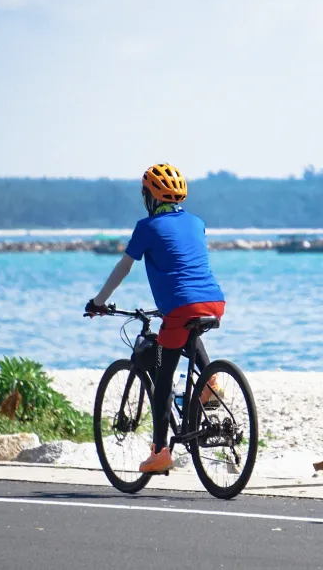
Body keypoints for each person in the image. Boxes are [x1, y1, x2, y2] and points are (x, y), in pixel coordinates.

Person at [85, 163, 225, 474]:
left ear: (150, 197)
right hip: (214, 302)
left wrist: (98, 302)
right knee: (186, 329)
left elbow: (124, 268)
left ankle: (160, 452)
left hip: (180, 305)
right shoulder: (197, 223)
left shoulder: (146, 227)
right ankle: (211, 380)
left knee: (163, 379)